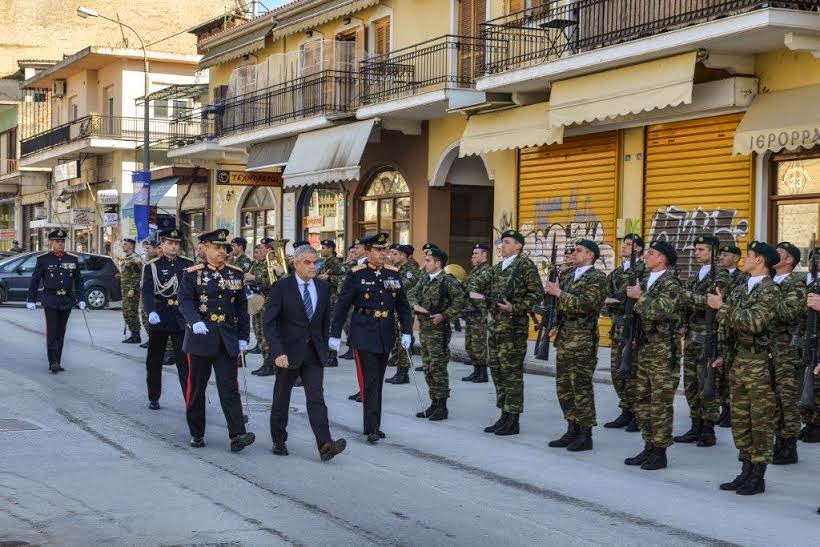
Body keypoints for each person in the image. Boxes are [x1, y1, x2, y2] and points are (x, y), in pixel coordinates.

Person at [263, 245, 347, 460]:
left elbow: (324, 320)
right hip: (288, 353)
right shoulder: (282, 287)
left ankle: (325, 444)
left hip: (313, 353)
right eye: (307, 262)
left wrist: (325, 347)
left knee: (316, 398)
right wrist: (277, 352)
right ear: (296, 264)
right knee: (282, 397)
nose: (313, 266)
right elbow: (269, 323)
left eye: (315, 262)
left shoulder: (323, 288)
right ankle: (279, 440)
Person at [709, 241, 779, 496]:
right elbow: (726, 325)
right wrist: (722, 354)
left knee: (759, 421)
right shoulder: (741, 288)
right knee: (740, 420)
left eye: (749, 256)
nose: (745, 260)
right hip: (738, 361)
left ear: (760, 260)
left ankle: (758, 474)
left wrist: (722, 307)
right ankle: (745, 468)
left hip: (759, 363)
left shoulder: (770, 290)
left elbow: (754, 323)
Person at [330, 233, 413, 443]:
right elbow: (342, 306)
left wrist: (407, 331)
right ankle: (373, 427)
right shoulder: (356, 274)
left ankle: (372, 425)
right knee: (371, 380)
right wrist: (334, 334)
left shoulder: (392, 273)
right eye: (378, 250)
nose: (383, 254)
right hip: (364, 331)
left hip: (385, 331)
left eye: (385, 250)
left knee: (377, 380)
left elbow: (402, 305)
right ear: (368, 252)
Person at [178, 229, 255, 452]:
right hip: (201, 336)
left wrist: (243, 337)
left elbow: (241, 307)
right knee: (196, 388)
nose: (222, 251)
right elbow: (185, 301)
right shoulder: (192, 274)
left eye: (224, 248)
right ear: (205, 248)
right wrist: (194, 321)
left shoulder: (235, 273)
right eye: (217, 247)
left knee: (229, 387)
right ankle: (197, 433)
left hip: (226, 337)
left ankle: (237, 434)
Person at [470, 230, 543, 436]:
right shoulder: (498, 267)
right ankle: (504, 414)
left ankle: (513, 419)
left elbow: (537, 293)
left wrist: (516, 307)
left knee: (511, 375)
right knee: (498, 372)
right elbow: (474, 284)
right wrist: (484, 297)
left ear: (518, 246)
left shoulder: (525, 265)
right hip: (495, 328)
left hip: (513, 329)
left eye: (507, 242)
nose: (502, 246)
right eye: (502, 242)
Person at [545, 239, 608, 452]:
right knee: (564, 387)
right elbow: (558, 306)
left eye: (579, 250)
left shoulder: (597, 278)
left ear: (590, 255)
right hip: (565, 338)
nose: (574, 253)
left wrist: (558, 293)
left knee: (581, 387)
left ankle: (585, 434)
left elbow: (586, 305)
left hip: (583, 340)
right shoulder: (568, 275)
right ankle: (571, 428)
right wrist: (552, 321)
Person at [623, 240, 681, 470]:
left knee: (660, 403)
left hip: (663, 351)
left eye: (651, 253)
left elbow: (662, 311)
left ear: (662, 259)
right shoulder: (645, 279)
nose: (646, 256)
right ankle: (648, 445)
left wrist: (640, 297)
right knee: (642, 400)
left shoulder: (671, 283)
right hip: (644, 348)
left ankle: (660, 451)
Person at [675, 234, 729, 447]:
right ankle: (695, 425)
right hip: (692, 340)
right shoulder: (695, 276)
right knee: (691, 385)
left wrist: (684, 295)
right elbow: (687, 306)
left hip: (709, 339)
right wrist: (682, 323)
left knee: (708, 384)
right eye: (696, 249)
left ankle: (708, 430)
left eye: (701, 249)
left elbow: (710, 302)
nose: (696, 253)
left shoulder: (721, 276)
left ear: (714, 252)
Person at [409, 246, 466, 420]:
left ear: (438, 263)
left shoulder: (447, 280)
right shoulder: (425, 278)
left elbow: (460, 301)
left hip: (438, 330)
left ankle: (442, 406)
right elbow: (411, 293)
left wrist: (444, 315)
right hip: (425, 329)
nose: (425, 263)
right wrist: (415, 305)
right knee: (428, 368)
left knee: (438, 367)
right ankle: (433, 403)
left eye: (428, 261)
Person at [141, 229, 192, 410]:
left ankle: (190, 400)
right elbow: (147, 292)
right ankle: (154, 397)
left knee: (184, 362)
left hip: (180, 318)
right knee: (154, 360)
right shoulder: (152, 266)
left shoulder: (188, 264)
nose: (174, 247)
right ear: (162, 245)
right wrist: (150, 312)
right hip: (160, 317)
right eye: (170, 243)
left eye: (176, 243)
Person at [26, 229, 86, 373]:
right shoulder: (43, 260)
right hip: (50, 299)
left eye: (62, 241)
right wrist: (31, 299)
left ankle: (58, 360)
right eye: (57, 241)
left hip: (66, 299)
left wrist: (81, 298)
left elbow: (79, 280)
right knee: (52, 331)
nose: (60, 244)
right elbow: (35, 280)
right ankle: (53, 362)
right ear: (51, 243)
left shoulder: (72, 259)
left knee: (61, 331)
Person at [769, 242, 806, 465]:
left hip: (787, 350)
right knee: (772, 399)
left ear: (789, 260)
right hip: (767, 349)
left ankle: (789, 446)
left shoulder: (796, 284)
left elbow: (788, 313)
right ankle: (777, 441)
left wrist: (764, 304)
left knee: (787, 399)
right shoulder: (768, 281)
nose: (773, 255)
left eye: (779, 253)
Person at [603, 234, 645, 431]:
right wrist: (614, 300)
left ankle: (637, 413)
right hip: (617, 327)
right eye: (624, 243)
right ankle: (626, 410)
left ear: (638, 249)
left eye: (629, 244)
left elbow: (634, 297)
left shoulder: (643, 270)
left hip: (633, 328)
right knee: (617, 372)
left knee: (633, 372)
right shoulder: (617, 272)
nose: (624, 247)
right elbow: (605, 295)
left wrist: (616, 300)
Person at [716, 244, 746, 428]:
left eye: (725, 255)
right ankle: (723, 408)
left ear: (736, 258)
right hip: (716, 329)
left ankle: (730, 410)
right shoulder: (715, 276)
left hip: (732, 329)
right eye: (720, 254)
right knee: (718, 373)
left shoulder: (744, 278)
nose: (721, 257)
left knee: (731, 372)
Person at [386, 243, 420, 384]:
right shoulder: (397, 268)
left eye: (395, 254)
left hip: (405, 310)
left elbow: (401, 286)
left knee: (403, 341)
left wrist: (385, 284)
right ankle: (399, 370)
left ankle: (403, 373)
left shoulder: (410, 269)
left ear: (403, 256)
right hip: (396, 309)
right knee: (398, 341)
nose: (392, 256)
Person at [462, 243, 492, 383]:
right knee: (470, 344)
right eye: (473, 253)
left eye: (476, 253)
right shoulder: (475, 270)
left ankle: (483, 373)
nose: (472, 256)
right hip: (470, 312)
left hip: (479, 312)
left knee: (478, 344)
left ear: (484, 255)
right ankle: (476, 371)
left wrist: (464, 291)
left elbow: (472, 288)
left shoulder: (487, 270)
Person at [247, 240, 275, 375]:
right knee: (258, 331)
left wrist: (253, 277)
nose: (260, 249)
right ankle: (265, 362)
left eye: (262, 248)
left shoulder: (273, 263)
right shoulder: (258, 264)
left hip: (268, 302)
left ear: (269, 249)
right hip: (256, 300)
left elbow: (271, 282)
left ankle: (270, 364)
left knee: (265, 333)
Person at [317, 239, 346, 368]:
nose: (322, 250)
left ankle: (332, 356)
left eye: (324, 248)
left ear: (330, 249)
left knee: (331, 328)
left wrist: (329, 277)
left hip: (333, 300)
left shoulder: (334, 262)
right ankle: (327, 354)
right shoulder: (324, 262)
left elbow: (344, 279)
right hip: (325, 299)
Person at [119, 238, 143, 344]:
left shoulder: (134, 258)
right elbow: (128, 273)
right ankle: (133, 334)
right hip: (125, 289)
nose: (123, 246)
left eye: (125, 244)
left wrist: (132, 288)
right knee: (126, 312)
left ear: (131, 246)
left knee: (131, 312)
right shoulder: (127, 257)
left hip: (131, 290)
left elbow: (137, 275)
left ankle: (136, 336)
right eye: (123, 244)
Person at [139, 239, 160, 349]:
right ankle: (151, 339)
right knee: (145, 318)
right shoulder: (147, 261)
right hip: (145, 293)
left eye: (149, 248)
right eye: (146, 248)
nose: (147, 250)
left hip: (155, 296)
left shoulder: (158, 262)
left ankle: (156, 342)